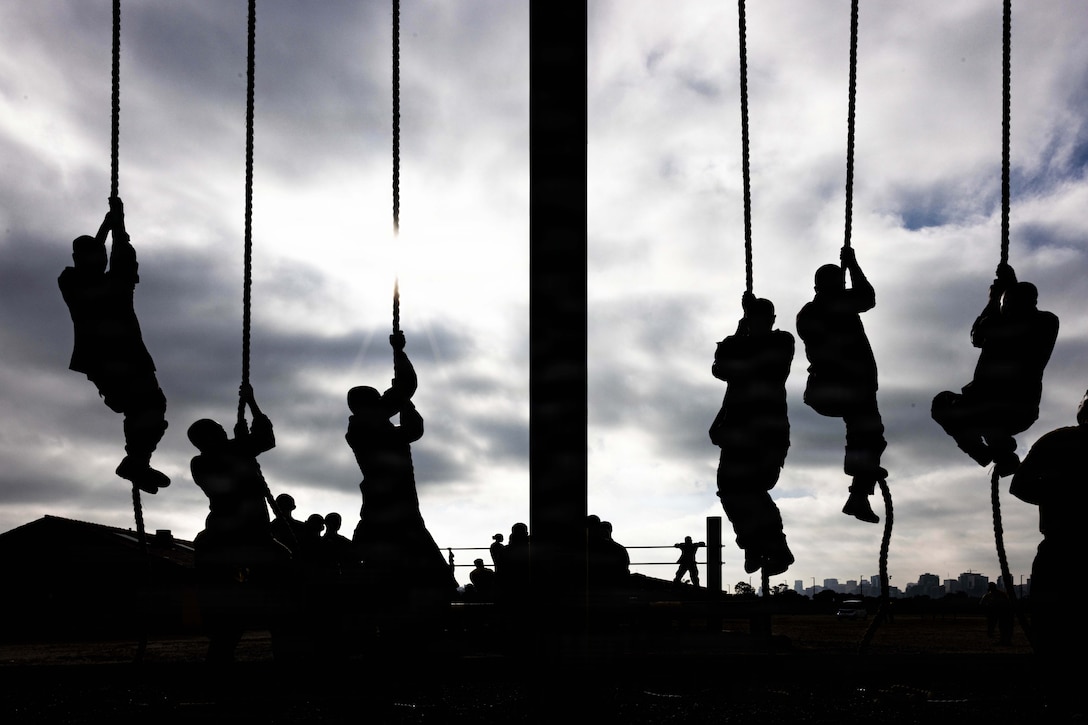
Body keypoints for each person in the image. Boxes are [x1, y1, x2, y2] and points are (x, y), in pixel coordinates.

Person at [59, 196, 169, 494]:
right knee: (145, 407)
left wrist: (110, 227)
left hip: (116, 360)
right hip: (117, 360)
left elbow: (109, 255)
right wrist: (115, 226)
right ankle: (136, 461)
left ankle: (138, 462)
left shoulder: (76, 282)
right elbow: (116, 253)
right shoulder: (102, 283)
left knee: (148, 409)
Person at [347, 331, 456, 614]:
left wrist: (400, 363)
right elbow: (412, 427)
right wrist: (399, 356)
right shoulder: (366, 428)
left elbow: (406, 401)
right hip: (392, 506)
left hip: (392, 504)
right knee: (413, 565)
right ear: (368, 406)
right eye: (378, 401)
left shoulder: (366, 426)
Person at [187, 383, 284, 663]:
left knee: (277, 591)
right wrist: (250, 407)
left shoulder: (226, 452)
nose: (223, 431)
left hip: (248, 534)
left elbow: (260, 441)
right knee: (246, 603)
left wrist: (248, 416)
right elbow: (262, 440)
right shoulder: (208, 460)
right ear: (206, 439)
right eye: (218, 430)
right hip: (240, 537)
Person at [932, 263, 1059, 477]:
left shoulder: (1040, 322)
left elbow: (981, 333)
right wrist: (1006, 289)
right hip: (1006, 408)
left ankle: (996, 451)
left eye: (1008, 303)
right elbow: (979, 337)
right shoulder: (1036, 323)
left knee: (950, 407)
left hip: (1003, 407)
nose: (1005, 307)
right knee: (943, 403)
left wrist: (994, 298)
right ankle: (994, 452)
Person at [1009, 390, 1088, 714]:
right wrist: (1066, 488)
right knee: (1053, 631)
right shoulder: (1057, 442)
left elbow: (1020, 486)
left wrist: (1057, 488)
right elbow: (1020, 486)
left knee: (1053, 632)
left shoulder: (1056, 441)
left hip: (1059, 550)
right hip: (1062, 550)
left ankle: (1058, 699)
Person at [796, 246, 886, 523]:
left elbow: (861, 300)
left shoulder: (814, 311)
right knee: (868, 436)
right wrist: (853, 264)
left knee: (868, 437)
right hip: (843, 388)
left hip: (839, 389)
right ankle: (860, 484)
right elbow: (867, 298)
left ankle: (859, 493)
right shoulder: (829, 307)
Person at [710, 293, 795, 575]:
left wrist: (742, 331)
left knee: (752, 490)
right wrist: (742, 327)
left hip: (766, 435)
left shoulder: (781, 342)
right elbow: (721, 368)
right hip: (738, 433)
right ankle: (754, 546)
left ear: (772, 321)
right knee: (730, 490)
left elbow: (743, 364)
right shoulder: (740, 345)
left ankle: (774, 550)